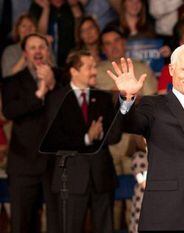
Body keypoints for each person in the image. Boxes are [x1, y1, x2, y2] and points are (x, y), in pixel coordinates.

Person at [107, 43, 184, 232]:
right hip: (165, 214)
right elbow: (128, 124)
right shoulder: (153, 105)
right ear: (171, 69)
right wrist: (127, 98)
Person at [43, 50, 121, 233]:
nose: (95, 71)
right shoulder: (56, 99)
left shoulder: (104, 98)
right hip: (70, 179)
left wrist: (99, 135)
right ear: (74, 71)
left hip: (102, 177)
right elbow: (53, 138)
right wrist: (86, 138)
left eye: (94, 66)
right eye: (89, 67)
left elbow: (115, 134)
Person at [1, 33, 61, 233]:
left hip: (54, 162)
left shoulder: (61, 77)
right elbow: (9, 111)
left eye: (42, 47)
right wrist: (38, 95)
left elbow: (71, 109)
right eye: (32, 47)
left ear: (47, 51)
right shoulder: (13, 81)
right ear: (25, 53)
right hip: (23, 163)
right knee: (22, 223)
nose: (37, 51)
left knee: (57, 222)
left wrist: (52, 85)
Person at [97, 26, 158, 95]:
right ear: (103, 49)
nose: (114, 46)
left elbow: (151, 99)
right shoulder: (97, 71)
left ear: (124, 42)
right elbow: (108, 99)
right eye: (108, 43)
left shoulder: (142, 68)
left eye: (116, 40)